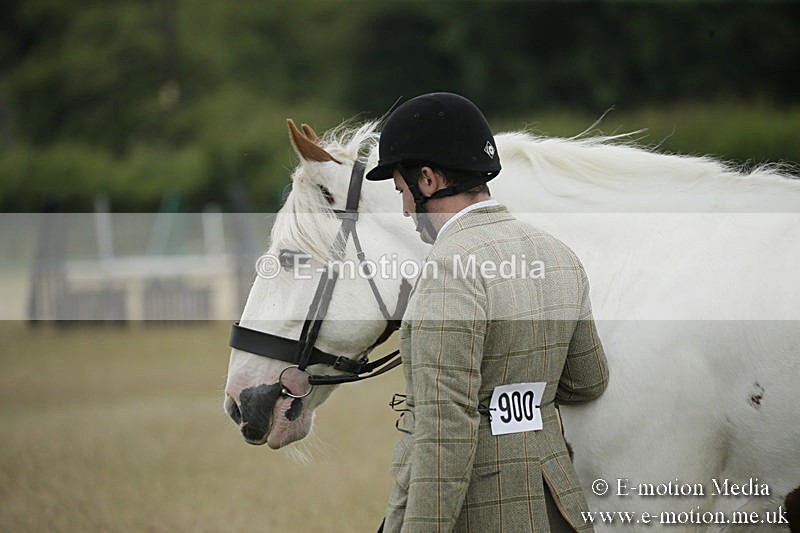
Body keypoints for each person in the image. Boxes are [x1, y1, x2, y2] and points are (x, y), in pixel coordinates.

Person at [365, 92, 609, 532]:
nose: (404, 210)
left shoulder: (446, 268)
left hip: (481, 513)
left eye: (400, 190)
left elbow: (447, 429)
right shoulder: (558, 255)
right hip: (557, 508)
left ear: (426, 179)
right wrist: (519, 395)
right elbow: (587, 381)